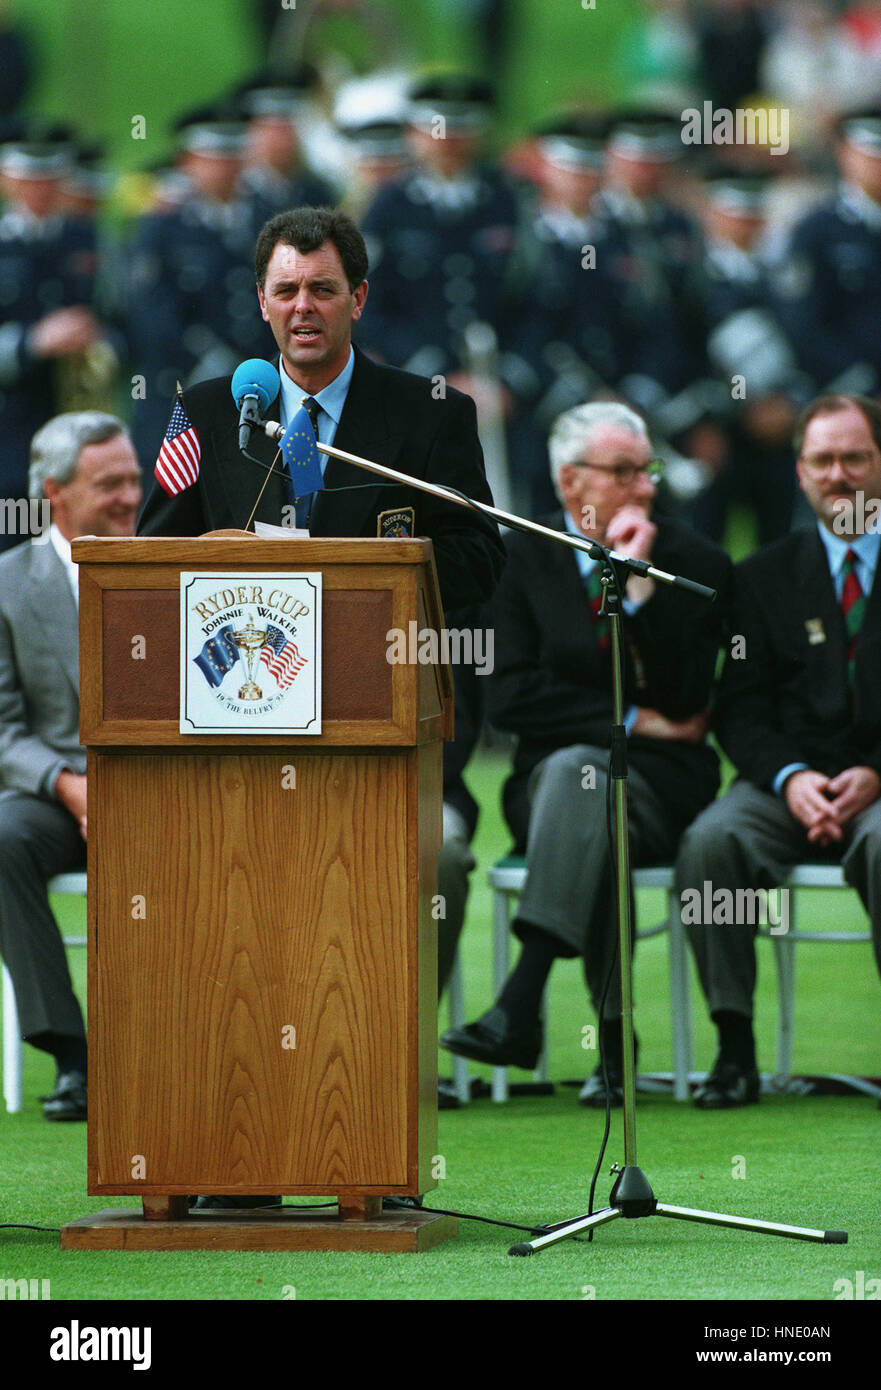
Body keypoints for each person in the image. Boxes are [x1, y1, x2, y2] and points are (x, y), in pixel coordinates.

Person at [441, 402, 732, 1105]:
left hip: (664, 784)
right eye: (624, 471)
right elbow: (510, 698)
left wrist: (638, 594)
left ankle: (522, 998)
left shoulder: (694, 562)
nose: (644, 487)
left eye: (648, 469)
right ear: (571, 483)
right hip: (546, 785)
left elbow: (692, 697)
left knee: (596, 795)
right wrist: (633, 716)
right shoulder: (520, 558)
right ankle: (609, 1042)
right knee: (587, 789)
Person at [137, 204, 505, 616]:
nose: (303, 306)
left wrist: (363, 580)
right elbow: (153, 560)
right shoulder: (204, 412)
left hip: (375, 658)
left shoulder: (433, 414)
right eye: (285, 291)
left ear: (358, 299)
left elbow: (478, 562)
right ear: (262, 301)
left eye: (323, 289)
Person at [675, 393, 881, 1109]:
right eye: (822, 460)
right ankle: (733, 1050)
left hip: (879, 795)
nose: (839, 474)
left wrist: (874, 775)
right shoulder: (760, 575)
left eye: (854, 457)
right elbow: (739, 707)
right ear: (799, 473)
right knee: (710, 841)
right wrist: (791, 778)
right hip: (782, 788)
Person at [0, 412, 142, 1119]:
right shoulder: (6, 582)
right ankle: (71, 1055)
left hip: (161, 789)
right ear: (53, 492)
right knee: (3, 836)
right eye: (108, 483)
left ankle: (174, 1047)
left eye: (133, 480)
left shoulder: (172, 568)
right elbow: (2, 732)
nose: (128, 497)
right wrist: (69, 786)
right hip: (59, 791)